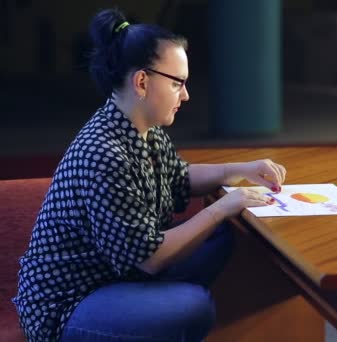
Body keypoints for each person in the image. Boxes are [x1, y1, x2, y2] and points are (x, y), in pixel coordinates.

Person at [13, 8, 286, 342]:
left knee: (227, 235)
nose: (185, 95)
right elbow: (151, 258)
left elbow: (180, 177)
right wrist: (221, 208)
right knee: (194, 304)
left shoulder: (141, 126)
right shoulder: (103, 153)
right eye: (177, 84)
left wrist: (240, 170)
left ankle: (152, 315)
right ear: (142, 81)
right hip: (72, 301)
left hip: (118, 273)